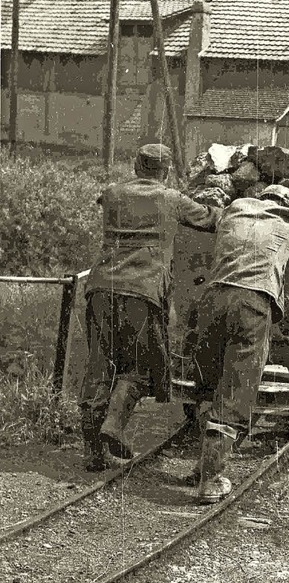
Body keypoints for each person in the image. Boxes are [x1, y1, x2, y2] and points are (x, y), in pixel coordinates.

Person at [190, 184, 289, 503]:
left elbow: (206, 219)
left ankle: (202, 459)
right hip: (252, 304)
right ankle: (210, 479)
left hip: (212, 299)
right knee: (236, 391)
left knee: (209, 382)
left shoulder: (235, 211)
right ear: (288, 203)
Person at [79, 143, 221, 472]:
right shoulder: (171, 199)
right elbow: (211, 219)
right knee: (141, 368)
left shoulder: (112, 193)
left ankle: (93, 452)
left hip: (100, 288)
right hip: (141, 292)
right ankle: (112, 427)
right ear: (166, 171)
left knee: (99, 367)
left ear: (135, 165)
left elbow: (107, 200)